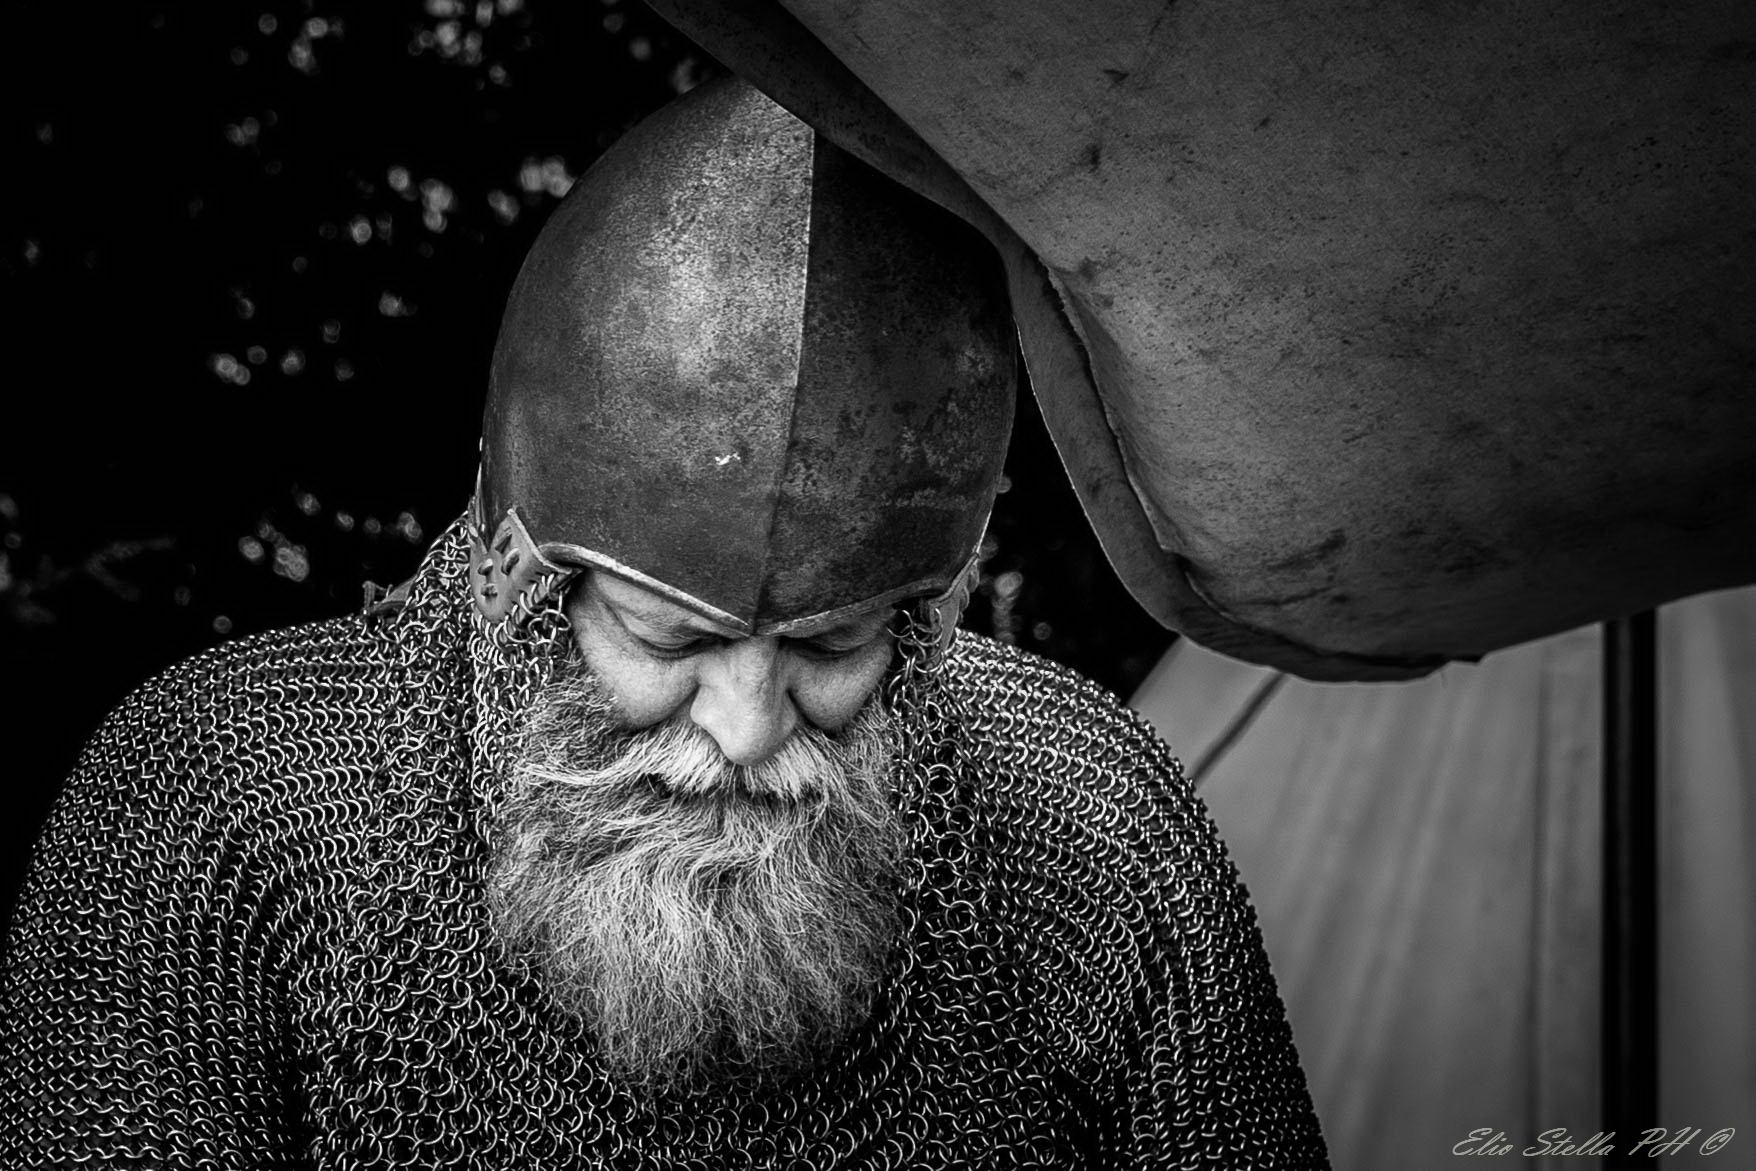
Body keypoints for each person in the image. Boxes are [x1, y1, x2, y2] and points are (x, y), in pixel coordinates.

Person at [0, 77, 1328, 1168]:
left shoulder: (1091, 836)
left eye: (830, 648)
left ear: (929, 622)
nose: (746, 731)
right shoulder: (222, 811)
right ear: (520, 581)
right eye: (670, 641)